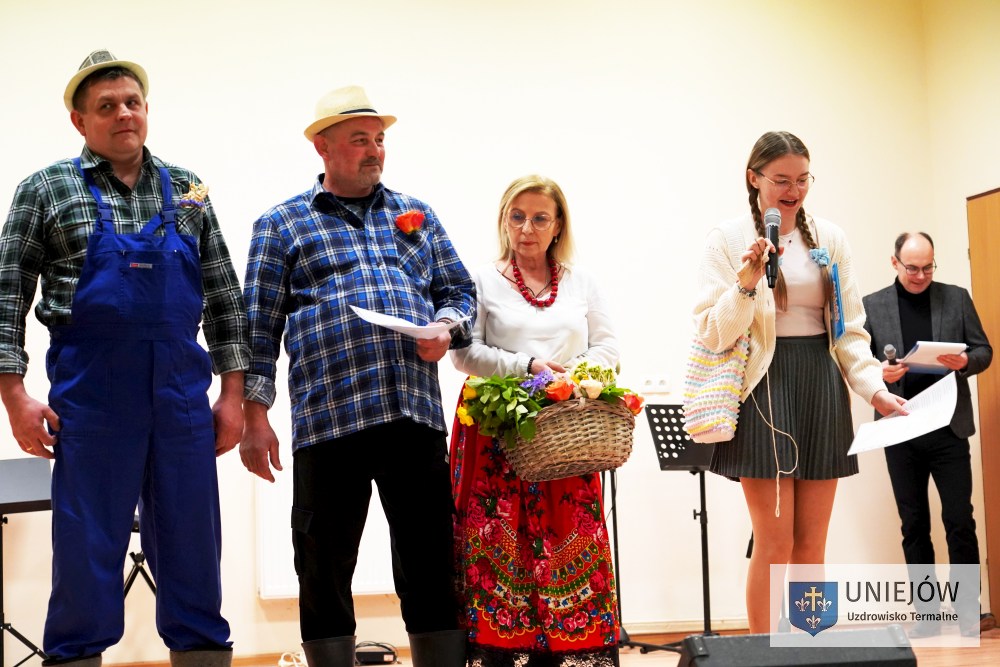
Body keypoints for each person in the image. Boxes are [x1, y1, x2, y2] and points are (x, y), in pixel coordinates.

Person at [0, 50, 247, 667]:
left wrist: (234, 395)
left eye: (132, 102)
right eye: (106, 106)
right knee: (87, 549)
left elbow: (224, 297)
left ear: (146, 109)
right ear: (80, 121)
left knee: (193, 548)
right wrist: (14, 395)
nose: (123, 114)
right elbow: (6, 296)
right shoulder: (45, 190)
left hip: (181, 399)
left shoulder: (189, 190)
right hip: (91, 399)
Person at [240, 85, 475, 667]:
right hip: (329, 420)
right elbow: (257, 330)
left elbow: (459, 291)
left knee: (430, 561)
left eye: (379, 139)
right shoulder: (281, 224)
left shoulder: (416, 214)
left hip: (411, 413)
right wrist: (254, 418)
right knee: (322, 564)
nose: (374, 151)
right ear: (322, 147)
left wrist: (446, 327)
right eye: (359, 140)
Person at [692, 131, 907, 633]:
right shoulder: (726, 239)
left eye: (803, 179)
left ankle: (812, 648)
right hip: (763, 386)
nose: (794, 191)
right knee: (774, 543)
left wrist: (875, 390)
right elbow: (714, 332)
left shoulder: (830, 237)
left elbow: (850, 331)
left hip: (820, 383)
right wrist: (746, 283)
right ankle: (763, 656)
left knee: (812, 544)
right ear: (754, 178)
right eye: (782, 180)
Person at [450, 175, 621, 666]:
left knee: (569, 533)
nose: (527, 228)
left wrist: (572, 378)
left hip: (566, 430)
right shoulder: (481, 280)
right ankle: (499, 650)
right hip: (495, 430)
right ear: (505, 221)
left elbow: (607, 347)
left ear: (557, 224)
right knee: (498, 537)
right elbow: (464, 353)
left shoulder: (582, 281)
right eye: (517, 216)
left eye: (540, 218)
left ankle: (572, 648)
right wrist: (529, 369)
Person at [863, 232, 994, 637]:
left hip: (948, 427)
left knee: (959, 519)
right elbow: (858, 363)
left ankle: (968, 614)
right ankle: (927, 616)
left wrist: (964, 362)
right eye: (912, 268)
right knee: (914, 523)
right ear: (895, 263)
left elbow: (984, 351)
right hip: (900, 428)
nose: (921, 275)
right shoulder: (872, 305)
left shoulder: (956, 298)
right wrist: (879, 374)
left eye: (928, 267)